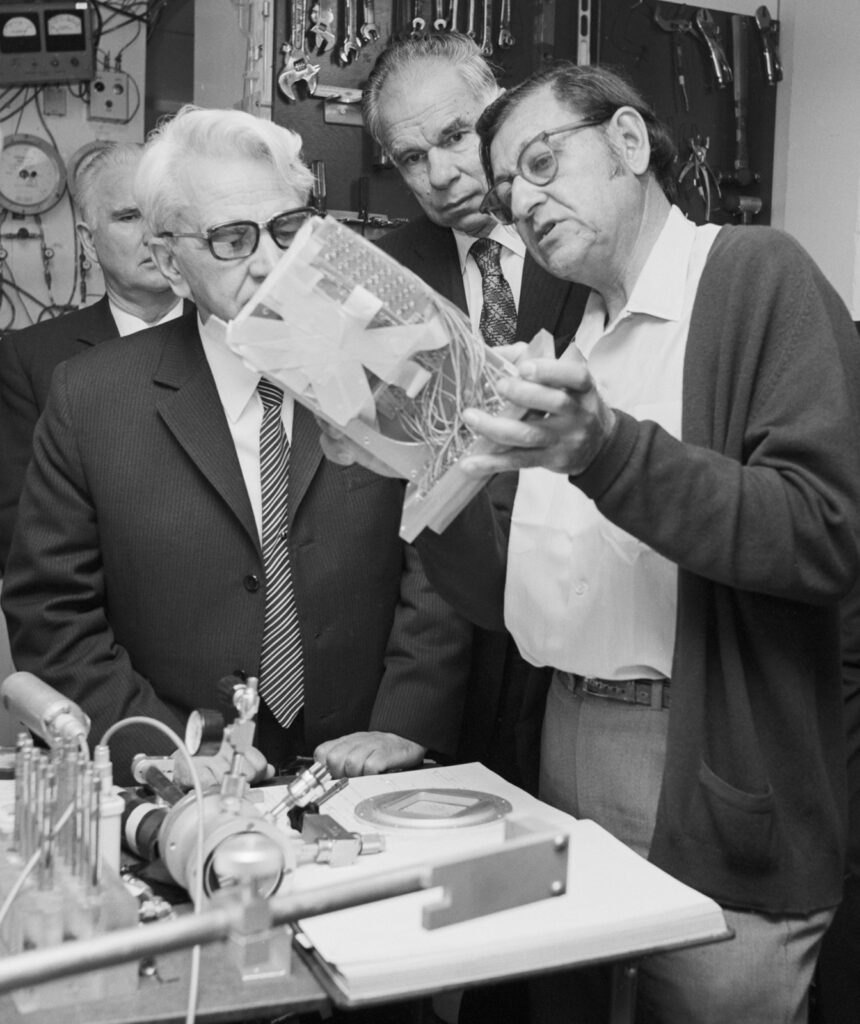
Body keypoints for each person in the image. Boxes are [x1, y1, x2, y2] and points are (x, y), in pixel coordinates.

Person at [324, 63, 860, 1024]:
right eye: (507, 191)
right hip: (564, 739)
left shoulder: (753, 276)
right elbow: (512, 604)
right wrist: (415, 460)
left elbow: (821, 536)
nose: (522, 202)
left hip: (707, 762)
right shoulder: (562, 331)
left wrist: (606, 452)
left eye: (540, 163)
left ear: (626, 141)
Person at [1, 106, 471, 788]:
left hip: (372, 771)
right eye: (231, 240)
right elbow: (52, 613)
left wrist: (405, 718)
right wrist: (165, 746)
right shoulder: (90, 398)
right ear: (169, 260)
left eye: (287, 229)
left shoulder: (384, 359)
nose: (270, 262)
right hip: (181, 779)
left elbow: (439, 553)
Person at [362, 31, 589, 794]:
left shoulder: (589, 237)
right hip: (451, 632)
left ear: (500, 106)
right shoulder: (385, 277)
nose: (442, 175)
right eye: (411, 159)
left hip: (593, 635)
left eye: (457, 136)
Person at [0, 142, 185, 570]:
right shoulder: (33, 360)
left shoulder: (229, 340)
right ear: (87, 241)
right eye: (128, 217)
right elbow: (21, 529)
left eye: (164, 217)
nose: (152, 236)